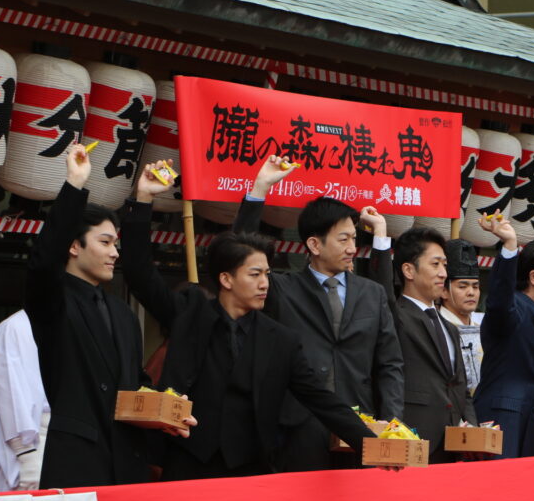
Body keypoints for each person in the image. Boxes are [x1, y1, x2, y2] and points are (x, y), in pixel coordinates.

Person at [121, 162, 377, 480]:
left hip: (252, 469)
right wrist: (143, 198)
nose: (265, 283)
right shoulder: (190, 315)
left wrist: (376, 447)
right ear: (226, 279)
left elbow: (322, 399)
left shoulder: (280, 339)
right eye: (255, 275)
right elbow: (139, 273)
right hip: (186, 461)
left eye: (267, 274)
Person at [234, 158, 404, 470]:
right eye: (344, 239)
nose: (352, 247)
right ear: (314, 244)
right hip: (296, 429)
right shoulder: (283, 289)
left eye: (355, 238)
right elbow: (241, 254)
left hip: (360, 429)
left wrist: (392, 424)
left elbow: (390, 363)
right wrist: (259, 189)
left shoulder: (373, 293)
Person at [26, 144, 176, 489]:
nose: (114, 253)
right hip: (75, 465)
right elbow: (44, 261)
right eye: (105, 242)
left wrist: (165, 408)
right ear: (74, 246)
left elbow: (133, 382)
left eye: (116, 243)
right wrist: (74, 185)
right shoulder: (53, 300)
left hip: (127, 465)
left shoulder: (122, 313)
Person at [474, 216, 534, 458]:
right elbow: (499, 302)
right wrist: (509, 248)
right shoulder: (513, 309)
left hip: (531, 423)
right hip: (503, 421)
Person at [386, 224, 476, 463]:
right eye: (435, 264)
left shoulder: (450, 328)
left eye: (444, 265)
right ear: (408, 270)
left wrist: (472, 430)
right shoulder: (394, 316)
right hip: (410, 439)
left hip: (454, 445)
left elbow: (461, 388)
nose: (443, 273)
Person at [0, 310, 50, 491]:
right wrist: (26, 455)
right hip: (31, 443)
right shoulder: (15, 327)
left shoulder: (69, 325)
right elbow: (7, 392)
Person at [439, 239, 484, 394]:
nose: (471, 292)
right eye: (463, 286)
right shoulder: (437, 327)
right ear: (444, 291)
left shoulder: (484, 331)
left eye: (475, 286)